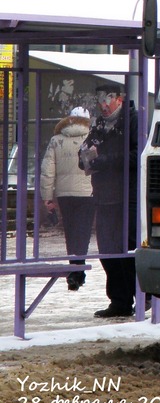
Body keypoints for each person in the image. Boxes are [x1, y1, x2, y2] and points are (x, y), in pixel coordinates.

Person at [78, 81, 141, 318]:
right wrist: (84, 158)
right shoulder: (100, 125)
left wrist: (105, 160)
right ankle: (119, 301)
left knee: (129, 249)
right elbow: (87, 149)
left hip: (129, 196)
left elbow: (139, 154)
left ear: (120, 99)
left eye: (108, 99)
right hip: (105, 196)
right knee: (107, 250)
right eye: (100, 100)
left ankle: (141, 296)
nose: (103, 104)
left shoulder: (133, 121)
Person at [39, 106, 94, 291]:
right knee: (83, 233)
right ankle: (78, 271)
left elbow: (47, 171)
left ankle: (74, 271)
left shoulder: (56, 140)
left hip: (64, 194)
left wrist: (47, 198)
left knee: (70, 232)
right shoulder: (92, 137)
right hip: (88, 193)